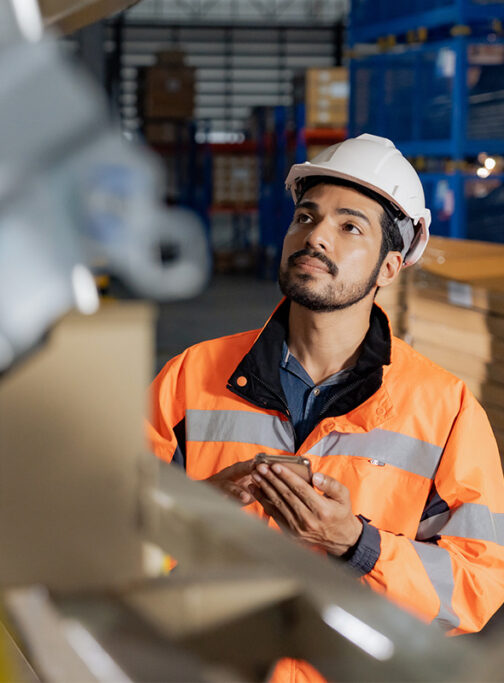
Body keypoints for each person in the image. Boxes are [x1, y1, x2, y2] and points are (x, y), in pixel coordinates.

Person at [146, 134, 504, 680]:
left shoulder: (446, 410)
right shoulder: (190, 377)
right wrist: (197, 512)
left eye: (349, 226)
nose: (315, 236)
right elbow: (107, 536)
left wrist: (358, 545)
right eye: (306, 217)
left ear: (389, 267)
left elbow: (477, 588)